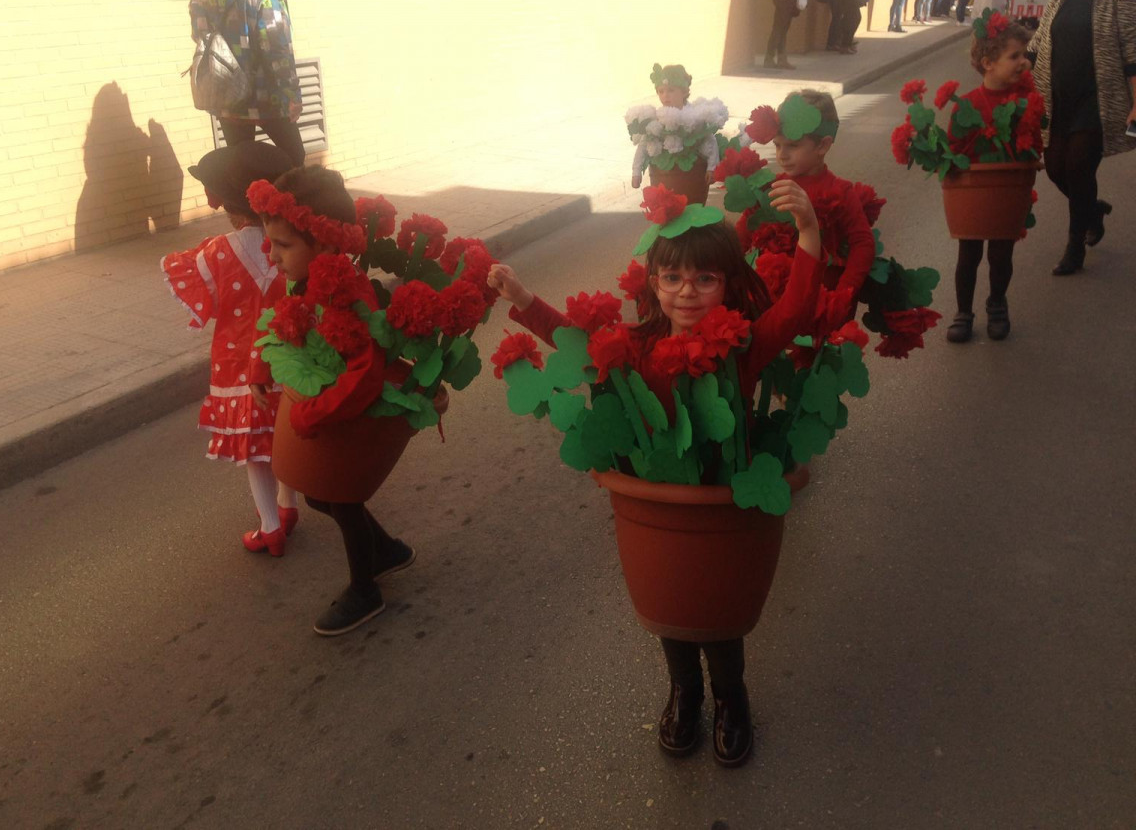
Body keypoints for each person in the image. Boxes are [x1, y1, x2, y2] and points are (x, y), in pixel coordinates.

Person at [487, 186, 824, 769]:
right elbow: (574, 338)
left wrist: (811, 233)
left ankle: (731, 697)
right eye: (672, 279)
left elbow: (793, 309)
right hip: (658, 505)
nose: (686, 291)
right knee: (671, 603)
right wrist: (522, 298)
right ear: (654, 285)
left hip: (721, 506)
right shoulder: (638, 345)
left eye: (705, 279)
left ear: (729, 283)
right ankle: (684, 692)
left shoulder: (740, 346)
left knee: (717, 611)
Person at [254, 166, 419, 634]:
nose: (273, 255)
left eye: (283, 246)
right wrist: (260, 368)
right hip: (327, 409)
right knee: (320, 498)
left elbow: (365, 374)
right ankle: (387, 550)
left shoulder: (349, 297)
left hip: (350, 414)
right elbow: (278, 323)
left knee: (339, 498)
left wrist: (313, 411)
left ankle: (364, 590)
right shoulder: (302, 279)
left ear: (325, 245)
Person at [161, 141, 300, 556]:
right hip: (288, 360)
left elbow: (208, 298)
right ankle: (288, 504)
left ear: (227, 202)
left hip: (238, 365)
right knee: (285, 434)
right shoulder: (290, 244)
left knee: (255, 453)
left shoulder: (216, 252)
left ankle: (271, 527)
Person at [1030, 0, 1136, 275]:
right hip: (1058, 96)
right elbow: (1040, 40)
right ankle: (1093, 210)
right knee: (1056, 168)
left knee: (1077, 165)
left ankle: (1075, 246)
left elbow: (1132, 54)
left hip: (1097, 98)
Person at [945, 19, 1044, 342]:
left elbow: (1033, 139)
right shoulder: (968, 105)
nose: (1023, 62)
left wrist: (1032, 159)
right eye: (1014, 56)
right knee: (969, 254)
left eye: (1023, 55)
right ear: (988, 63)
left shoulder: (1026, 101)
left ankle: (997, 304)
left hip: (1007, 192)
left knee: (1001, 254)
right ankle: (963, 311)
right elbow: (954, 151)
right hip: (975, 194)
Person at [736, 91, 876, 312]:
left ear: (823, 145)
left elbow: (863, 245)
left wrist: (843, 294)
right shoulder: (770, 188)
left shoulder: (840, 192)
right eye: (777, 145)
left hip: (822, 300)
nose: (782, 155)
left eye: (792, 146)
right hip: (775, 300)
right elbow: (741, 236)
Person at [189, 0, 305, 167]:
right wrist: (292, 94)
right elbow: (276, 48)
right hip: (268, 95)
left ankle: (249, 203)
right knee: (294, 159)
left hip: (228, 94)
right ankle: (287, 203)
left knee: (241, 165)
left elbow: (199, 36)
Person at [631, 64, 720, 188]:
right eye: (661, 91)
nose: (665, 95)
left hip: (692, 178)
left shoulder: (693, 116)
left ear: (684, 91)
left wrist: (712, 168)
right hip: (664, 177)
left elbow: (709, 140)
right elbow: (643, 145)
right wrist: (636, 172)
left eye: (671, 90)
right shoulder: (657, 119)